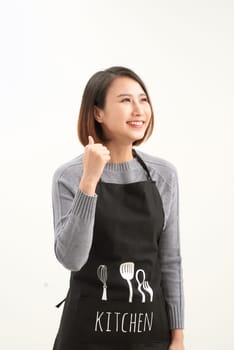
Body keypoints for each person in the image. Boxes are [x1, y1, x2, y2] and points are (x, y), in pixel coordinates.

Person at [51, 66, 185, 350]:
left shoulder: (163, 175)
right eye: (126, 100)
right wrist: (89, 181)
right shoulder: (70, 176)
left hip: (150, 336)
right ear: (98, 113)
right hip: (85, 337)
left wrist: (178, 336)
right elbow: (72, 258)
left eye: (143, 100)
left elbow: (170, 261)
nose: (138, 110)